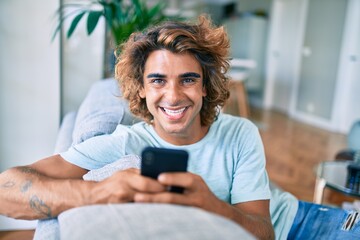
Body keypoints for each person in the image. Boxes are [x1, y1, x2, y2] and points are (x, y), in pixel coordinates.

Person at [0, 15, 358, 240]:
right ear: (140, 88)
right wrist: (98, 193)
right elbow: (6, 191)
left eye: (188, 79)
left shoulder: (239, 132)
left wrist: (211, 205)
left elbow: (265, 231)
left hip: (306, 220)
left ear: (205, 86)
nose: (173, 96)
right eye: (157, 80)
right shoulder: (123, 143)